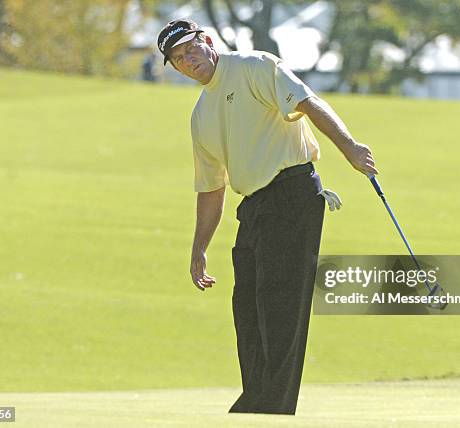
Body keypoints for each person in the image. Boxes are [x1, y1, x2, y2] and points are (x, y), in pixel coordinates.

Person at [157, 19, 378, 415]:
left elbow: (307, 102)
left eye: (190, 49)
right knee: (247, 304)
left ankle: (271, 406)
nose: (188, 60)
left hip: (292, 191)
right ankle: (257, 397)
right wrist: (199, 249)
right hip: (255, 207)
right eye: (178, 59)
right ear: (175, 68)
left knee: (279, 303)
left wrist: (349, 148)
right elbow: (211, 187)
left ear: (207, 41)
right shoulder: (201, 115)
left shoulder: (254, 66)